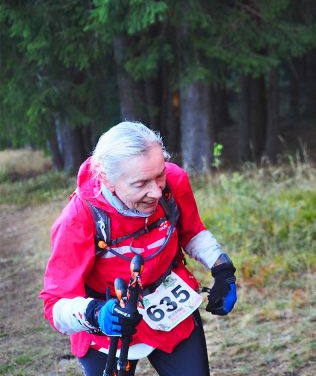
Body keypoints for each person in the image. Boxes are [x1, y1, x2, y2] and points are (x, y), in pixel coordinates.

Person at [40, 121, 237, 375]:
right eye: (140, 184)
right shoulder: (79, 218)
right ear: (106, 179)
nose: (156, 192)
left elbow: (192, 232)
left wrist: (222, 269)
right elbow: (55, 304)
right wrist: (97, 314)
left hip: (171, 312)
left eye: (159, 175)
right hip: (108, 327)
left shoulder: (174, 181)